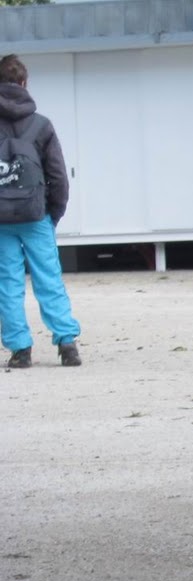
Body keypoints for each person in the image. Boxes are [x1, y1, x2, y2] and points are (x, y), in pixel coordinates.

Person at [0, 54, 80, 368]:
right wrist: (53, 213)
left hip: (1, 219)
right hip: (36, 215)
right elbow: (58, 176)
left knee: (8, 283)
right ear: (24, 83)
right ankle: (67, 343)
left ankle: (20, 350)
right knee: (49, 278)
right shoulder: (41, 125)